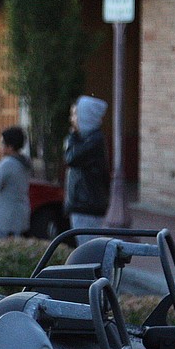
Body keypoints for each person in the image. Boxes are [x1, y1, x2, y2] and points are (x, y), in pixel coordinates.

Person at [64, 95, 110, 244]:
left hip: (87, 206)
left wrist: (72, 136)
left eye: (75, 114)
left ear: (86, 117)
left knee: (87, 249)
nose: (72, 119)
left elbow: (71, 158)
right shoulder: (86, 139)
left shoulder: (93, 140)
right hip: (83, 205)